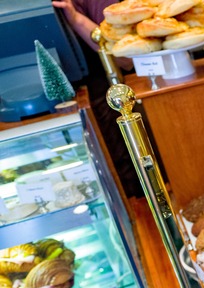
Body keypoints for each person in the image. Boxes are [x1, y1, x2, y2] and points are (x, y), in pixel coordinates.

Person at [52, 0, 144, 198]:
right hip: (56, 118)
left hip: (105, 103)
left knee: (132, 189)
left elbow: (124, 58)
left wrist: (76, 19)